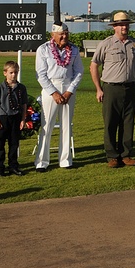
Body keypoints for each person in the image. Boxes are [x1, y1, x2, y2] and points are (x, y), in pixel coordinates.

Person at [90, 11, 135, 167]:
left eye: (126, 24)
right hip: (111, 88)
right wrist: (98, 89)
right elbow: (94, 66)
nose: (124, 27)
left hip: (130, 87)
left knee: (128, 123)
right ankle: (112, 156)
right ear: (114, 27)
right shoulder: (106, 44)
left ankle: (126, 154)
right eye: (121, 25)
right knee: (110, 123)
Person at [34, 23, 84, 171]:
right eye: (61, 34)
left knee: (66, 125)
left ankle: (65, 160)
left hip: (68, 87)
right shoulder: (43, 49)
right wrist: (53, 92)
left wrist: (70, 91)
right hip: (50, 88)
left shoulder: (74, 49)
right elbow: (40, 74)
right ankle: (41, 161)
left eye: (66, 33)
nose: (64, 36)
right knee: (46, 125)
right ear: (53, 35)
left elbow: (79, 71)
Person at [0, 61, 28, 177]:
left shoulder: (21, 88)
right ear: (5, 73)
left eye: (16, 72)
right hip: (3, 117)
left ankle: (13, 166)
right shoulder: (0, 88)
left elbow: (24, 105)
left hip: (15, 117)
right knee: (0, 144)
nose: (13, 75)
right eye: (11, 73)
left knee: (14, 143)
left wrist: (23, 119)